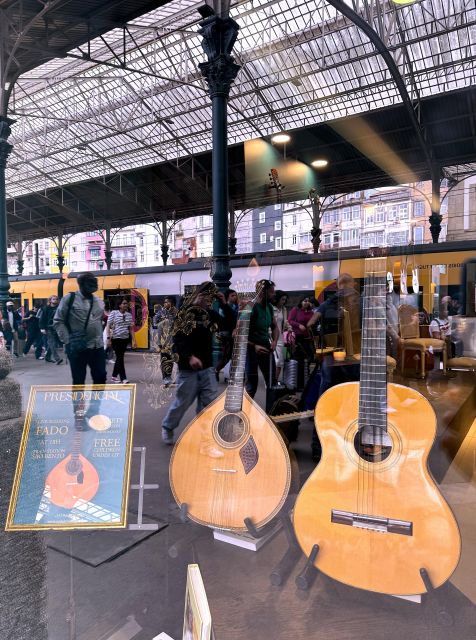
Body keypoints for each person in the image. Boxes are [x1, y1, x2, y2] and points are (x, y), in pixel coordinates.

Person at [161, 282, 234, 444]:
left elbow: (230, 324)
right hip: (188, 369)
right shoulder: (184, 313)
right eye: (207, 297)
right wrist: (189, 357)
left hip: (208, 368)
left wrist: (224, 305)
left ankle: (205, 438)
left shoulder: (210, 314)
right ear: (198, 296)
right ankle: (168, 427)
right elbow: (178, 339)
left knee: (207, 405)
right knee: (182, 403)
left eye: (212, 298)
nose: (209, 301)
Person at [53, 272, 107, 385]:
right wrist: (68, 341)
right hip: (77, 347)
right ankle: (78, 403)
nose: (94, 283)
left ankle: (96, 403)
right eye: (90, 281)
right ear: (81, 284)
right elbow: (58, 321)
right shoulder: (69, 299)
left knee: (101, 377)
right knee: (79, 381)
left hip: (97, 346)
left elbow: (98, 321)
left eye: (94, 280)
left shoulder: (99, 302)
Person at [245, 279, 279, 399]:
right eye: (271, 292)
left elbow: (274, 327)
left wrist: (274, 341)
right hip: (250, 350)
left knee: (272, 382)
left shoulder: (269, 307)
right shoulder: (250, 307)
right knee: (251, 386)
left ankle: (270, 413)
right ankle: (242, 416)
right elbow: (237, 334)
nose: (274, 294)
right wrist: (254, 346)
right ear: (261, 293)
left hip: (265, 347)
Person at [287, 295, 315, 388]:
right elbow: (290, 321)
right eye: (304, 301)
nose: (306, 302)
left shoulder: (311, 312)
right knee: (298, 360)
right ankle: (298, 384)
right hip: (298, 339)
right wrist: (298, 325)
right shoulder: (296, 310)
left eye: (308, 301)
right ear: (300, 302)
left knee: (309, 359)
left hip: (308, 339)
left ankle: (305, 382)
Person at [107, 299, 136, 383]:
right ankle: (123, 378)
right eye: (124, 303)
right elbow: (108, 326)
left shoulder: (129, 315)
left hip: (125, 339)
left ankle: (114, 376)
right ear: (119, 305)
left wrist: (134, 340)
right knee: (120, 358)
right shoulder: (114, 313)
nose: (126, 305)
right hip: (116, 339)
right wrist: (109, 338)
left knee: (120, 358)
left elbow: (131, 329)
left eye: (126, 303)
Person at [214, 288, 239, 379]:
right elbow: (225, 321)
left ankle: (229, 374)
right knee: (227, 356)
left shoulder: (235, 306)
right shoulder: (224, 308)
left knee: (233, 356)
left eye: (236, 295)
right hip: (227, 334)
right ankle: (217, 371)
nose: (235, 297)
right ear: (227, 297)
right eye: (232, 295)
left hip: (234, 333)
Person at [39, 295, 63, 364]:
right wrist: (42, 328)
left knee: (52, 343)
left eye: (56, 299)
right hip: (48, 328)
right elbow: (42, 319)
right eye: (53, 299)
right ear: (50, 300)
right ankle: (57, 359)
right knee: (52, 343)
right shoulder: (46, 308)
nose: (55, 300)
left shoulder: (59, 308)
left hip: (57, 327)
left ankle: (47, 357)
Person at [272, 290, 289, 382]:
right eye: (282, 299)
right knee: (274, 361)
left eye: (285, 300)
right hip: (271, 337)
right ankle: (270, 381)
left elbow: (285, 322)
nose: (284, 302)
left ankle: (274, 381)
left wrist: (289, 327)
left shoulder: (284, 309)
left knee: (279, 362)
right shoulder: (271, 308)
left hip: (280, 338)